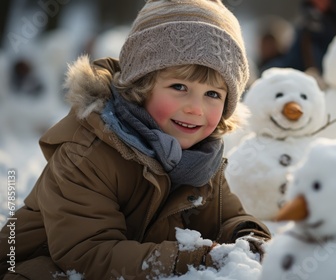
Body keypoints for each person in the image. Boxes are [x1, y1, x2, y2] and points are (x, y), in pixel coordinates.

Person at [0, 0, 271, 278]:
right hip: (33, 266)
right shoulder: (88, 152)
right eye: (179, 87)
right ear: (141, 86)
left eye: (213, 94)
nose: (196, 108)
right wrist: (197, 260)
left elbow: (228, 218)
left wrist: (250, 240)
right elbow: (88, 254)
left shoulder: (200, 160)